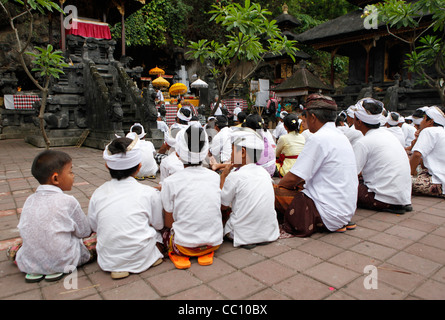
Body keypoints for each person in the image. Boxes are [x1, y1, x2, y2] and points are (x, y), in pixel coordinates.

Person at [274, 94, 358, 236]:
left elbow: (293, 178)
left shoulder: (318, 138)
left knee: (271, 192)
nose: (304, 121)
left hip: (327, 212)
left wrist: (279, 187)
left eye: (305, 117)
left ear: (312, 117)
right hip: (345, 211)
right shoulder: (341, 136)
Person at [9, 150, 94, 283]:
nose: (73, 176)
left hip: (29, 264)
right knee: (97, 241)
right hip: (64, 262)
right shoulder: (68, 201)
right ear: (55, 178)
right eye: (70, 172)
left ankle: (36, 270)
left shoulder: (29, 200)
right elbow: (84, 232)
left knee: (19, 245)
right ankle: (55, 265)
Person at [88, 136, 164, 279]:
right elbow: (159, 224)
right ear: (139, 167)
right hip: (143, 253)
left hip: (109, 260)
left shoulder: (97, 194)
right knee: (158, 234)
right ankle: (150, 258)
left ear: (107, 166)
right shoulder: (149, 193)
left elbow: (94, 226)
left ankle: (118, 267)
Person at [160, 126, 223, 269]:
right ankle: (203, 251)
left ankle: (180, 252)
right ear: (206, 151)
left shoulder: (170, 182)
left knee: (161, 230)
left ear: (178, 153)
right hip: (214, 243)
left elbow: (169, 223)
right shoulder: (214, 177)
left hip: (183, 246)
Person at [220, 128, 280, 248]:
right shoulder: (264, 173)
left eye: (232, 150)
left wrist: (223, 177)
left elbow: (222, 205)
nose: (231, 154)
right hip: (269, 233)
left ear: (242, 152)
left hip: (241, 235)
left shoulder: (235, 176)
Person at [352, 98, 412, 214]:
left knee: (342, 185)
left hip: (382, 198)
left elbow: (350, 173)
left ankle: (387, 202)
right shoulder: (388, 134)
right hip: (403, 197)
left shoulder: (363, 142)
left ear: (359, 122)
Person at [410, 106, 445, 198]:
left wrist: (407, 176)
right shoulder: (441, 131)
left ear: (430, 121)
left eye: (423, 119)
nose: (421, 123)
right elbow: (423, 165)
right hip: (440, 179)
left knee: (397, 182)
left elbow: (417, 155)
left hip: (439, 183)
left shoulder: (428, 131)